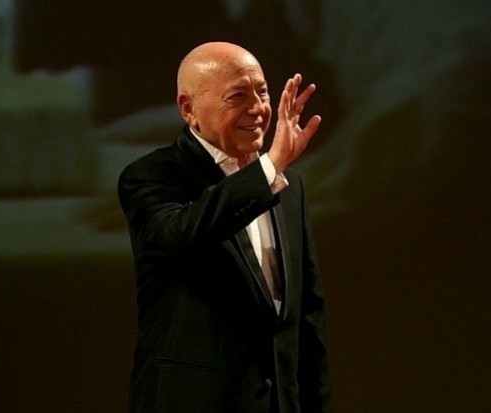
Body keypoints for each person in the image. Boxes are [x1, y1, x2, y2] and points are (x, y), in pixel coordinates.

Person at [117, 42, 332, 413]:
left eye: (262, 92)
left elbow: (307, 318)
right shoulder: (151, 176)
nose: (259, 108)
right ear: (188, 108)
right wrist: (268, 168)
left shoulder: (288, 185)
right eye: (237, 96)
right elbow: (181, 233)